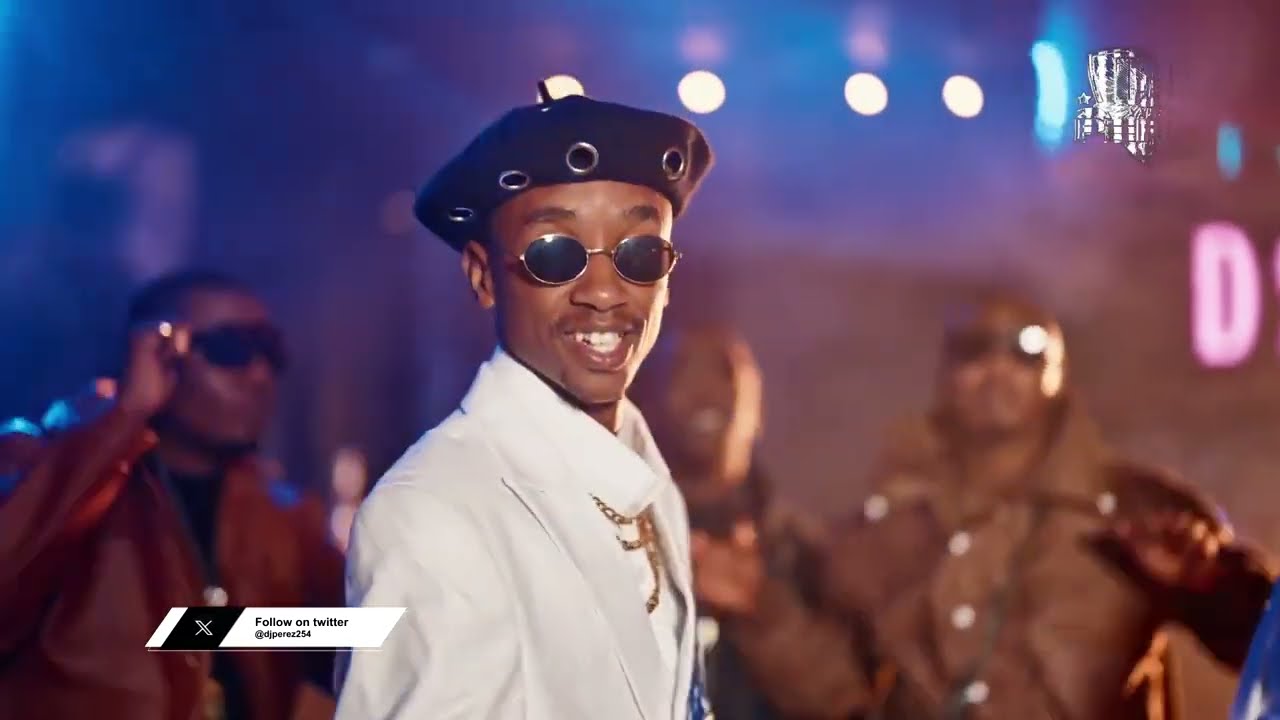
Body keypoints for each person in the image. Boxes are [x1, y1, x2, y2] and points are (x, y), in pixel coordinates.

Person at [693, 290, 1275, 719]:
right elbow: (840, 697)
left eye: (1026, 348)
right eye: (975, 349)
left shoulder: (1134, 511)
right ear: (945, 373)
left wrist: (1213, 586)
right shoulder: (889, 526)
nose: (998, 367)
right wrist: (760, 608)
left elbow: (1266, 653)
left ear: (1059, 371)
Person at [335, 85, 714, 720]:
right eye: (555, 254)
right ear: (483, 275)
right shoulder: (432, 514)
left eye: (641, 253)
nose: (604, 292)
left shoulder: (647, 481)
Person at [0, 270, 344, 720]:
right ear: (158, 355)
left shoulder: (283, 512)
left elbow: (358, 638)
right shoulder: (51, 468)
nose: (260, 374)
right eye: (231, 349)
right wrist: (128, 413)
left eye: (270, 351)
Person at [644, 324, 833, 720]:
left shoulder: (802, 550)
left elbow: (844, 700)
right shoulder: (611, 532)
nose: (703, 392)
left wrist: (759, 605)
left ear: (758, 409)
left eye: (723, 373)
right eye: (682, 372)